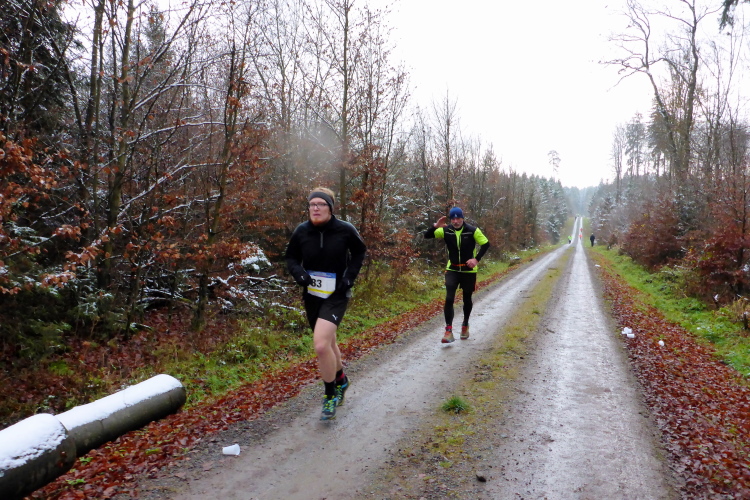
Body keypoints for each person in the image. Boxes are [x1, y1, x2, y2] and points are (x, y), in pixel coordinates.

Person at [285, 187, 367, 420]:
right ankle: (341, 380)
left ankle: (330, 395)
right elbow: (291, 257)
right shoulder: (302, 231)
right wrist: (299, 274)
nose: (315, 208)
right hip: (312, 294)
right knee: (328, 342)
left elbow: (359, 252)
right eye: (312, 204)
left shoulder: (345, 230)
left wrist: (349, 277)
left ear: (330, 208)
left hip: (337, 294)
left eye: (321, 204)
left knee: (321, 345)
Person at [424, 207, 490, 343]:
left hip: (468, 270)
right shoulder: (446, 230)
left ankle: (465, 325)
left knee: (467, 298)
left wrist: (476, 259)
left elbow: (485, 244)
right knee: (449, 298)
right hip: (452, 269)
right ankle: (448, 331)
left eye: (458, 218)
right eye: (453, 219)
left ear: (462, 218)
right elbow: (427, 235)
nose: (455, 221)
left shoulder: (472, 230)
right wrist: (435, 226)